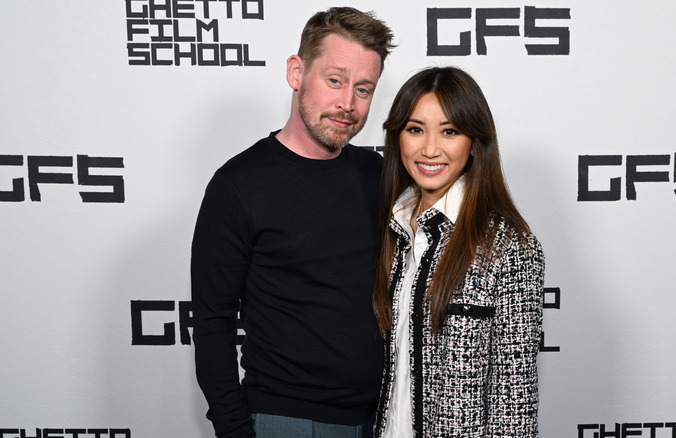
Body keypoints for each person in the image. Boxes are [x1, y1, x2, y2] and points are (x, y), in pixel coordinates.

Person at [190, 7, 395, 438]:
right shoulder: (238, 186)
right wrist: (234, 430)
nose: (348, 104)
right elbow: (213, 321)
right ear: (296, 72)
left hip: (383, 416)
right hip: (287, 420)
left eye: (363, 89)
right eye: (335, 80)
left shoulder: (377, 174)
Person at [371, 66, 545, 437]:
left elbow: (514, 403)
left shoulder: (508, 246)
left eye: (449, 131)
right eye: (415, 129)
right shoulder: (391, 228)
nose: (430, 149)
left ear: (474, 141)